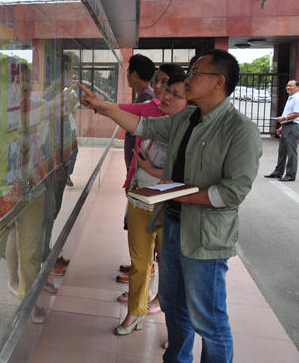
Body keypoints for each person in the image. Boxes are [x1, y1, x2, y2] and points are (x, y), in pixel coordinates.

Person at [79, 49, 262, 363]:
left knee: (208, 319)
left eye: (196, 73)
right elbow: (143, 126)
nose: (188, 79)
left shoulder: (239, 129)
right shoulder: (187, 117)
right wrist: (105, 107)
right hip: (173, 225)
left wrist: (181, 195)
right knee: (175, 308)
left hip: (204, 238)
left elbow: (234, 191)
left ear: (219, 81)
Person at [113, 73, 189, 335]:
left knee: (170, 267)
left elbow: (187, 176)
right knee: (139, 262)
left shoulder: (190, 131)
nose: (164, 94)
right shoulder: (152, 121)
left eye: (174, 94)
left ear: (189, 102)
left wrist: (152, 171)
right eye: (164, 89)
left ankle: (175, 329)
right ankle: (135, 312)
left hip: (169, 207)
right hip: (140, 201)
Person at [123, 54, 157, 169]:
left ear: (134, 75)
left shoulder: (145, 98)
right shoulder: (147, 94)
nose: (126, 75)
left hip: (138, 163)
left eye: (128, 72)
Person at [265, 79, 299, 182]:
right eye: (287, 85)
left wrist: (284, 118)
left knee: (291, 152)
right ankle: (278, 172)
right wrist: (282, 126)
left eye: (291, 86)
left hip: (292, 127)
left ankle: (290, 174)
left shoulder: (297, 98)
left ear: (297, 87)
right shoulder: (291, 98)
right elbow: (288, 113)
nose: (288, 87)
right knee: (282, 151)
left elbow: (297, 113)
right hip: (287, 126)